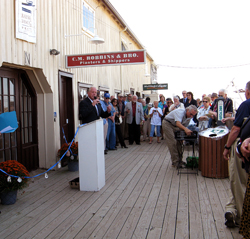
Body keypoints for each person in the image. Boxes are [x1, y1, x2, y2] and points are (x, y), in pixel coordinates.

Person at [222, 82, 250, 228]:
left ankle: (241, 217)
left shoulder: (246, 104)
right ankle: (231, 210)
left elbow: (235, 130)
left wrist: (227, 147)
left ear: (247, 92)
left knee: (238, 182)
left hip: (243, 148)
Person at [79, 87, 111, 155]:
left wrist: (108, 112)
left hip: (97, 128)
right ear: (88, 93)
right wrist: (92, 105)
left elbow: (102, 114)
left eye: (95, 92)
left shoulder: (97, 102)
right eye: (92, 92)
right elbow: (83, 114)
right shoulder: (84, 102)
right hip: (88, 128)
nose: (94, 94)